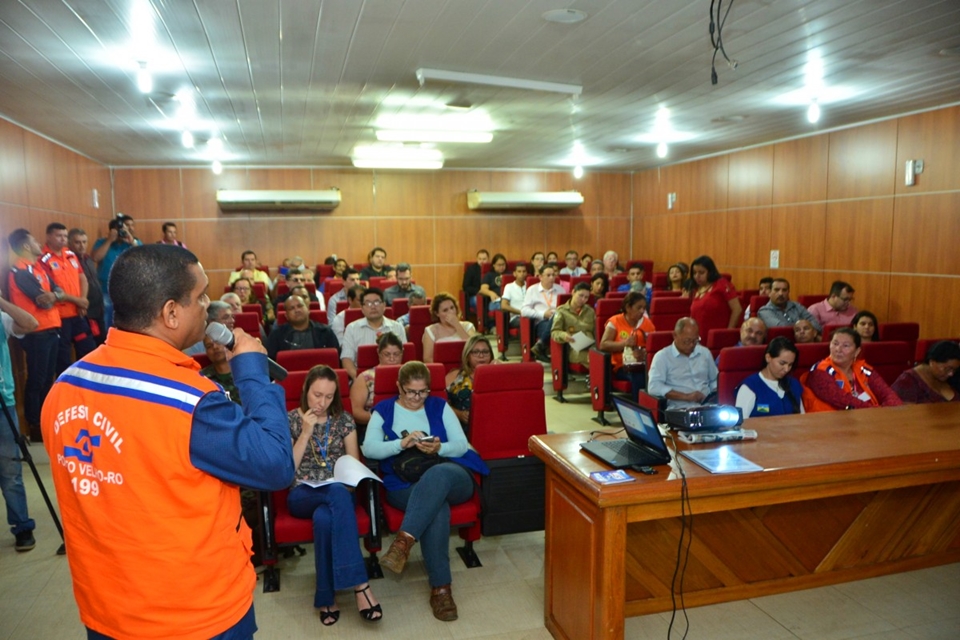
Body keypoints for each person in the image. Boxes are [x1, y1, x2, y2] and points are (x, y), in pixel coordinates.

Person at [40, 244, 294, 639]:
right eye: (202, 296)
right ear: (171, 312)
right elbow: (276, 463)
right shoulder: (189, 402)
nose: (209, 306)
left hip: (107, 609)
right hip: (195, 614)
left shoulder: (64, 386)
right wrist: (252, 374)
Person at [361, 362, 489, 622]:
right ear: (399, 386)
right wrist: (401, 443)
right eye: (410, 392)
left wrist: (439, 448)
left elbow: (462, 445)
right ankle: (441, 589)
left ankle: (403, 542)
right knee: (436, 508)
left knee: (437, 476)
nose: (417, 398)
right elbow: (369, 449)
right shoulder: (384, 410)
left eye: (423, 392)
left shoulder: (439, 405)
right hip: (404, 484)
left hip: (451, 475)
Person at [287, 365, 382, 625]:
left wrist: (345, 481)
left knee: (326, 517)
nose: (322, 402)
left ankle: (326, 596)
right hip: (302, 493)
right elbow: (286, 472)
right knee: (334, 497)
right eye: (317, 395)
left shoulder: (344, 420)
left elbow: (354, 465)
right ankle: (360, 584)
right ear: (306, 390)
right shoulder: (290, 420)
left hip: (340, 491)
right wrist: (306, 432)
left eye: (329, 397)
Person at [7, 229, 61, 441]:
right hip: (36, 333)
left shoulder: (37, 267)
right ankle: (35, 424)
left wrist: (55, 295)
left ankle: (46, 419)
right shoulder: (20, 272)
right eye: (35, 241)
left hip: (51, 329)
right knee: (37, 379)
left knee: (48, 378)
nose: (39, 244)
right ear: (27, 246)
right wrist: (55, 296)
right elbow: (44, 300)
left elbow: (57, 291)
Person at [0, 295, 39, 552]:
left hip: (3, 402)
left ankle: (22, 527)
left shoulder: (1, 317)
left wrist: (1, 301)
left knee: (10, 469)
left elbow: (30, 323)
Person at [40, 222, 97, 375]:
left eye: (65, 236)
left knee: (89, 352)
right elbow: (51, 291)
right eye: (59, 236)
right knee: (63, 360)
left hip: (78, 314)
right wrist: (79, 301)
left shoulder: (70, 254)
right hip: (61, 319)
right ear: (48, 237)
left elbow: (82, 278)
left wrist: (83, 301)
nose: (63, 239)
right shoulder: (43, 259)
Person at [801, 327, 902, 412]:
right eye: (835, 344)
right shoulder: (819, 371)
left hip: (868, 419)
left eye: (845, 346)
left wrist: (892, 410)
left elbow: (887, 393)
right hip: (830, 426)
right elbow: (842, 400)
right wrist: (877, 412)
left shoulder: (863, 369)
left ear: (857, 351)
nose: (838, 349)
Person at [648, 317, 718, 410]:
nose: (691, 345)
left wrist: (713, 394)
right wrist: (687, 397)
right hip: (680, 409)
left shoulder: (704, 353)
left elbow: (714, 380)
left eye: (695, 340)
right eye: (687, 341)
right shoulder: (662, 357)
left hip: (707, 406)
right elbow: (654, 387)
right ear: (675, 335)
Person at [599, 291, 656, 399]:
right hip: (623, 366)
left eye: (644, 308)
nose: (642, 311)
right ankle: (639, 408)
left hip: (644, 364)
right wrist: (625, 344)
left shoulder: (647, 323)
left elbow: (653, 346)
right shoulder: (615, 321)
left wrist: (644, 352)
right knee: (639, 377)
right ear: (628, 307)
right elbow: (603, 345)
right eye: (639, 308)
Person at [340, 288, 406, 380]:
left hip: (394, 378)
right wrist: (362, 380)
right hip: (361, 379)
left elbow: (403, 356)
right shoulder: (351, 328)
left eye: (376, 302)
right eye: (368, 303)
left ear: (384, 305)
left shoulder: (397, 327)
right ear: (362, 308)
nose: (373, 307)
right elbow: (347, 360)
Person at [91, 214, 142, 330]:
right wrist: (109, 240)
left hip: (128, 291)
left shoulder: (132, 242)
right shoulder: (102, 242)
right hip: (106, 290)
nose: (121, 233)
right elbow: (95, 258)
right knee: (106, 321)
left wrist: (130, 239)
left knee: (128, 323)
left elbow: (142, 256)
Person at [735, 337, 805, 417]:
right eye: (782, 363)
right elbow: (741, 423)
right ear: (768, 358)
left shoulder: (793, 384)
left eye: (790, 365)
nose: (786, 369)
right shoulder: (750, 387)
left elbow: (802, 418)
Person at [351, 333, 405, 426]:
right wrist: (381, 418)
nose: (392, 359)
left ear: (402, 352)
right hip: (374, 424)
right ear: (379, 353)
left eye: (396, 354)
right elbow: (355, 411)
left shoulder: (411, 375)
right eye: (387, 354)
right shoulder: (365, 377)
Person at [266, 295, 339, 361]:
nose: (297, 310)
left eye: (300, 306)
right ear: (286, 316)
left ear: (308, 310)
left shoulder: (325, 332)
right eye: (292, 308)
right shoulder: (276, 335)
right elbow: (270, 363)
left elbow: (335, 359)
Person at [446, 334, 496, 426]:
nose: (481, 356)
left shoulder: (496, 375)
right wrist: (459, 414)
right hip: (460, 426)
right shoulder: (455, 376)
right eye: (475, 352)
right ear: (467, 355)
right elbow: (440, 403)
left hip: (492, 423)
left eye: (485, 352)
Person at [67, 228, 106, 344]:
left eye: (84, 242)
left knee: (101, 342)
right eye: (77, 242)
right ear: (69, 243)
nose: (82, 246)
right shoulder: (68, 261)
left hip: (98, 309)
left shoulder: (87, 259)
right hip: (84, 311)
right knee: (87, 346)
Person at [689, 255, 742, 339]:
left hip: (718, 335)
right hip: (699, 335)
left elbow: (737, 309)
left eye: (701, 272)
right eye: (694, 273)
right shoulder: (695, 289)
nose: (697, 276)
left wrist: (729, 331)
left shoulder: (721, 284)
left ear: (710, 272)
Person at [891, 341, 960, 404]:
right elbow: (904, 413)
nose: (951, 374)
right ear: (932, 361)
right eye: (947, 369)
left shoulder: (951, 379)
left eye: (954, 370)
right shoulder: (907, 381)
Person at [521, 263, 564, 362]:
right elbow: (524, 311)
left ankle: (540, 345)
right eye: (548, 275)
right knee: (556, 322)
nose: (552, 278)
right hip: (541, 322)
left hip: (560, 321)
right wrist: (543, 314)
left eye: (553, 275)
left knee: (558, 317)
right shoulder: (532, 290)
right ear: (540, 277)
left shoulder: (560, 289)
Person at [550, 282, 596, 367]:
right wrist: (564, 335)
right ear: (573, 292)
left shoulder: (590, 311)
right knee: (596, 361)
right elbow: (554, 332)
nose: (583, 300)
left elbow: (596, 332)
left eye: (586, 297)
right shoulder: (562, 311)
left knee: (602, 357)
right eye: (580, 296)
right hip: (574, 348)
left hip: (591, 346)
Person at [423, 293, 476, 363]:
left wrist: (457, 325)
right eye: (445, 310)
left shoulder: (468, 326)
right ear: (437, 313)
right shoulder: (430, 330)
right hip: (442, 368)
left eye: (452, 308)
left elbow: (474, 349)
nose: (450, 312)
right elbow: (427, 359)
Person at [756, 278, 821, 331]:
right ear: (769, 293)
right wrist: (806, 328)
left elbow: (816, 324)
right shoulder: (764, 311)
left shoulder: (796, 306)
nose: (781, 293)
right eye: (776, 290)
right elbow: (782, 329)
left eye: (784, 290)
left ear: (788, 292)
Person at [199, 334, 241, 404]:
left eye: (218, 342)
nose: (215, 347)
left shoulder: (245, 371)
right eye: (209, 346)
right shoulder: (202, 378)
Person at [499, 262, 529, 328]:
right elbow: (503, 305)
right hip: (516, 317)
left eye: (524, 271)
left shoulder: (530, 286)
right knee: (527, 322)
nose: (522, 274)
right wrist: (520, 312)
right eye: (519, 271)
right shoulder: (509, 287)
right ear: (514, 274)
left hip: (530, 315)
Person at [461, 249, 489, 314]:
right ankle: (483, 321)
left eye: (484, 259)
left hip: (488, 295)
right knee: (479, 301)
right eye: (480, 259)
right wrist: (479, 291)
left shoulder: (491, 269)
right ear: (477, 259)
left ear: (488, 259)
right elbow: (465, 286)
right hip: (474, 296)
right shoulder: (471, 269)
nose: (482, 261)